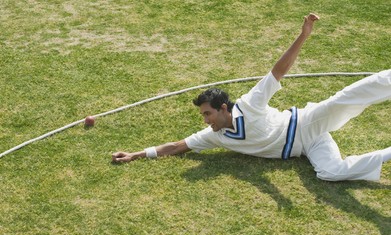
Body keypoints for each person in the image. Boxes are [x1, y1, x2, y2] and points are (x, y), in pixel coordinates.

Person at [112, 13, 391, 182]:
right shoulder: (216, 136)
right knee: (330, 173)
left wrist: (303, 35)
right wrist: (135, 155)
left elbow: (277, 72)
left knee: (345, 100)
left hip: (306, 123)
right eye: (204, 116)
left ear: (223, 108)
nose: (206, 120)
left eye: (208, 114)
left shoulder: (249, 104)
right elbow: (174, 147)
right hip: (306, 148)